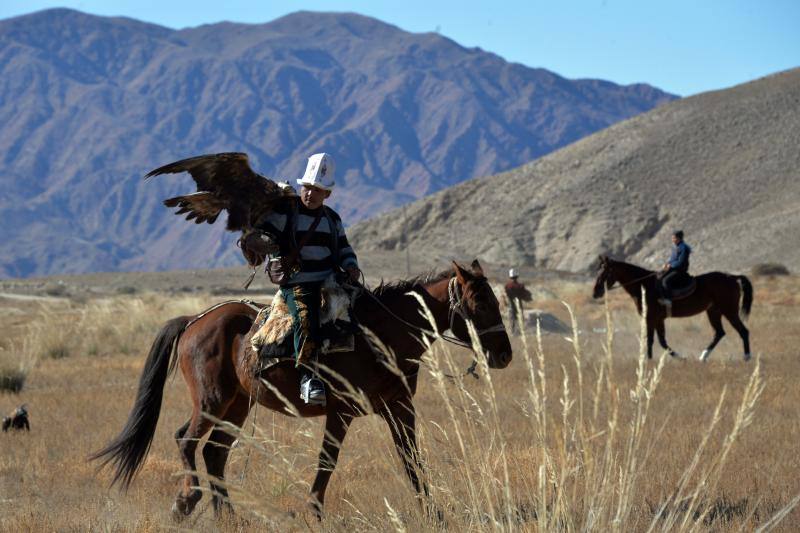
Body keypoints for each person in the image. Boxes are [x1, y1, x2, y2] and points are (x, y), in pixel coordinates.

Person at [255, 153, 360, 406]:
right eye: (307, 187)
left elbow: (344, 247)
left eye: (317, 189)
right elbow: (265, 235)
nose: (310, 193)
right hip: (297, 283)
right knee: (305, 316)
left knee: (362, 309)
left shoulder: (332, 219)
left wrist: (351, 265)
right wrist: (259, 238)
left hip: (330, 281)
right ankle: (307, 378)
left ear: (327, 194)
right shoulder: (285, 213)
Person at [659, 230, 692, 307]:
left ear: (679, 238)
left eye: (674, 238)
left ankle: (668, 300)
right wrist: (667, 264)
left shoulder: (684, 248)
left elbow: (681, 262)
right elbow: (672, 259)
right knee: (659, 276)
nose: (672, 240)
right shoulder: (676, 247)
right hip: (673, 268)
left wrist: (670, 265)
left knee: (665, 281)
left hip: (680, 270)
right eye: (672, 238)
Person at [504, 268, 531, 334]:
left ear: (510, 277)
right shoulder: (520, 286)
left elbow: (506, 295)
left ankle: (512, 332)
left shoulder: (507, 286)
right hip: (519, 305)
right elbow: (525, 296)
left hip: (511, 306)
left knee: (512, 320)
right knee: (519, 319)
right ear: (517, 276)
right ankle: (519, 332)